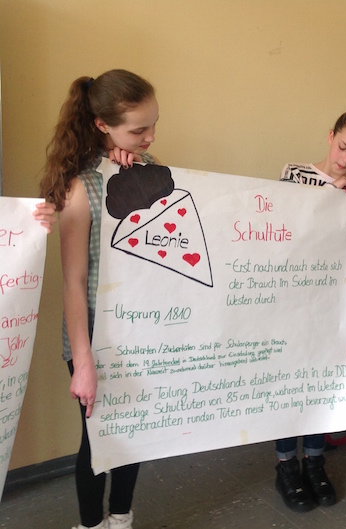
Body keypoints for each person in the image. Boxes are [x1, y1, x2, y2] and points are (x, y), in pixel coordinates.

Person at [39, 69, 160, 529]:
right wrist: (83, 363)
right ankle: (91, 524)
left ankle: (121, 518)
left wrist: (134, 171)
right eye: (139, 129)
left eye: (153, 125)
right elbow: (73, 282)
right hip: (93, 333)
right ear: (102, 125)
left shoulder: (150, 168)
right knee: (98, 437)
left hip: (140, 327)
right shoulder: (80, 188)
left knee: (132, 431)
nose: (150, 137)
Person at [275, 100, 346, 511]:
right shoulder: (293, 176)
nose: (345, 160)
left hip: (336, 313)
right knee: (288, 387)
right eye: (342, 147)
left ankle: (315, 462)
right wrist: (329, 195)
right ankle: (286, 465)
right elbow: (280, 233)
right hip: (289, 306)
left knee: (325, 387)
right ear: (330, 136)